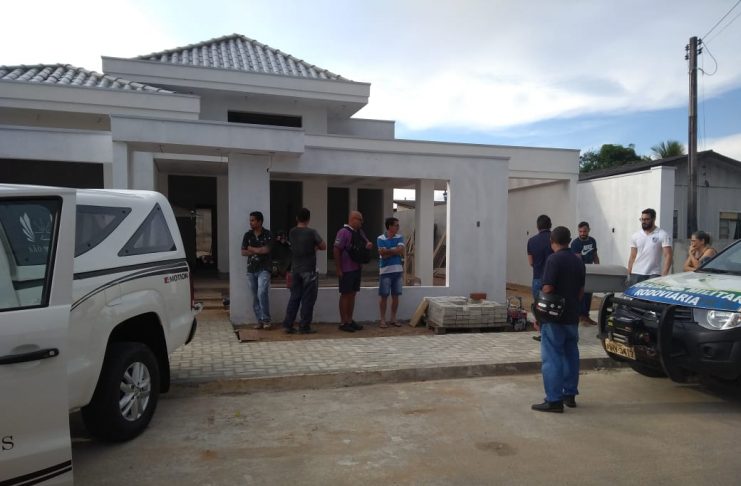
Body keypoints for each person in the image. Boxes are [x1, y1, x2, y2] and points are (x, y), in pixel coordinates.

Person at [531, 226, 586, 413]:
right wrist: (574, 307)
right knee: (571, 355)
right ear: (569, 240)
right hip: (572, 316)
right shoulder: (578, 261)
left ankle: (554, 400)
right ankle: (569, 395)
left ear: (552, 242)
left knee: (552, 357)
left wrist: (540, 315)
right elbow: (581, 290)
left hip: (554, 319)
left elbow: (547, 288)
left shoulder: (553, 260)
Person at [282, 208, 327, 335]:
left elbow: (294, 246)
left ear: (297, 218)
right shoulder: (312, 232)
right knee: (308, 299)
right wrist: (314, 247)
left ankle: (288, 324)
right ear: (308, 219)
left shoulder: (292, 232)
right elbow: (323, 246)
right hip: (309, 269)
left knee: (294, 297)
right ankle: (304, 326)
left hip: (295, 269)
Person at [333, 211, 373, 332]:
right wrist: (338, 268)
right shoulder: (343, 232)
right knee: (345, 294)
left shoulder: (359, 232)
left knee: (352, 294)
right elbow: (336, 249)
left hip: (356, 268)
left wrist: (368, 245)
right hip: (346, 269)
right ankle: (343, 322)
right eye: (360, 220)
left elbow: (366, 243)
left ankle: (349, 320)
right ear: (353, 219)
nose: (362, 222)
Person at [241, 211, 272, 329]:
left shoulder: (268, 234)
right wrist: (258, 250)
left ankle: (266, 319)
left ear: (260, 221)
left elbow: (266, 250)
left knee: (262, 292)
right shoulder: (247, 235)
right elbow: (243, 252)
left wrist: (251, 248)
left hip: (264, 268)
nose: (250, 222)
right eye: (250, 220)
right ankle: (260, 320)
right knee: (255, 295)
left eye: (253, 220)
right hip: (251, 269)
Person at [627, 208, 673, 285]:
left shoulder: (662, 234)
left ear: (653, 219)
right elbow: (632, 256)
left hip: (654, 274)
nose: (643, 222)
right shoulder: (635, 236)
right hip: (636, 273)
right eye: (642, 219)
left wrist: (664, 275)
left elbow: (668, 255)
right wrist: (629, 273)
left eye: (646, 219)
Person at [527, 215, 553, 341]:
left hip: (538, 277)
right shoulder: (555, 239)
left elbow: (531, 262)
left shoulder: (532, 241)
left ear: (537, 226)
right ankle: (553, 333)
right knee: (553, 307)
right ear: (550, 225)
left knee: (540, 307)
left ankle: (543, 334)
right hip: (553, 279)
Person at [377, 217, 405, 328]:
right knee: (384, 296)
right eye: (396, 225)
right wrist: (395, 251)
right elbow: (383, 255)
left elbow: (400, 250)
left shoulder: (400, 237)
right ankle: (382, 320)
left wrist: (387, 251)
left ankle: (393, 318)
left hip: (397, 271)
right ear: (389, 226)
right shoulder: (380, 238)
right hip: (385, 272)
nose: (398, 227)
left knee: (396, 296)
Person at [570, 221, 599, 326]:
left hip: (590, 272)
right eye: (580, 231)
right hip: (579, 272)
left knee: (588, 294)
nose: (582, 233)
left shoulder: (592, 241)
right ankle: (579, 316)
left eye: (584, 231)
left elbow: (595, 255)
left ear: (589, 230)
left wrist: (598, 268)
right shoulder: (575, 243)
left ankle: (586, 316)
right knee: (580, 294)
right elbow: (577, 259)